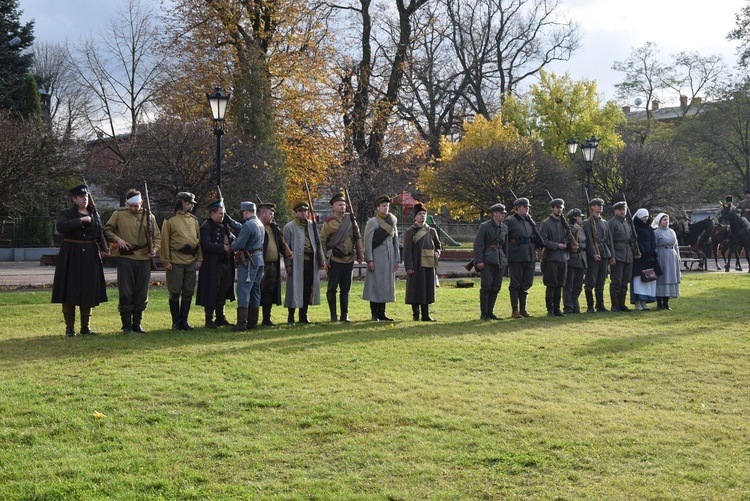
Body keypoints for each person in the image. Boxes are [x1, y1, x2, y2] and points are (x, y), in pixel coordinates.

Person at [52, 184, 109, 337]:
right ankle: (69, 328)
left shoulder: (94, 213)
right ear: (74, 199)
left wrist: (105, 249)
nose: (85, 200)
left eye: (86, 197)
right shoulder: (66, 213)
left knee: (88, 291)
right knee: (70, 290)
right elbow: (61, 227)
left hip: (90, 255)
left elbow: (99, 233)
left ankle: (86, 327)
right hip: (71, 254)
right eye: (81, 197)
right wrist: (81, 220)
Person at [104, 188, 161, 334]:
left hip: (144, 259)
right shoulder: (118, 214)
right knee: (126, 292)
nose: (132, 208)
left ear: (141, 203)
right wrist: (118, 240)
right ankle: (126, 325)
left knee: (141, 292)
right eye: (130, 206)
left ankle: (137, 324)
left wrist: (154, 249)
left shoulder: (150, 217)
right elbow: (107, 230)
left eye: (135, 206)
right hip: (126, 258)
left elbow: (157, 237)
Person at [196, 198, 242, 328]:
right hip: (213, 264)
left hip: (226, 263)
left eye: (223, 213)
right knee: (212, 290)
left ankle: (220, 317)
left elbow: (235, 235)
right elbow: (206, 245)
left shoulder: (225, 225)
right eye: (220, 214)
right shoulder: (206, 227)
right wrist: (222, 247)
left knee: (223, 289)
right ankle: (209, 318)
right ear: (212, 213)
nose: (223, 216)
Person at [160, 192, 203, 330]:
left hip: (191, 259)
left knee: (188, 291)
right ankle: (175, 322)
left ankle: (184, 321)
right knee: (175, 291)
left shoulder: (194, 220)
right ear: (183, 202)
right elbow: (164, 242)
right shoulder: (170, 220)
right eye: (190, 203)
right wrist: (166, 261)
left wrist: (200, 259)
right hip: (176, 260)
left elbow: (198, 241)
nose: (192, 205)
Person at [321, 192, 364, 322]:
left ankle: (344, 315)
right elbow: (322, 241)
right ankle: (333, 315)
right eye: (340, 205)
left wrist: (360, 252)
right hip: (335, 260)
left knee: (345, 289)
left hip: (349, 259)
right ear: (333, 207)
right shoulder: (329, 223)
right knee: (332, 288)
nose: (342, 207)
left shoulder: (350, 220)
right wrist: (324, 260)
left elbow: (358, 237)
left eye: (344, 205)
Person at [283, 201, 324, 324]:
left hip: (310, 262)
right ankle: (291, 316)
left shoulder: (312, 225)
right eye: (300, 211)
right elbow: (286, 248)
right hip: (296, 263)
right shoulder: (289, 227)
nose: (303, 213)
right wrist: (288, 265)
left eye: (305, 211)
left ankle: (303, 314)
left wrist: (321, 259)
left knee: (307, 289)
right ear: (295, 213)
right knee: (294, 289)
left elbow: (318, 244)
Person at [363, 195, 400, 321]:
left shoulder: (393, 220)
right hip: (377, 258)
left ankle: (382, 313)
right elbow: (367, 243)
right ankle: (374, 313)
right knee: (375, 285)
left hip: (389, 258)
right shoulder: (372, 222)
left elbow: (396, 241)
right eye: (383, 206)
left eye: (387, 206)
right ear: (377, 207)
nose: (385, 208)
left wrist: (396, 259)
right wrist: (369, 260)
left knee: (385, 285)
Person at [403, 202, 441, 321]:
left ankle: (426, 315)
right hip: (416, 264)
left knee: (427, 289)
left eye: (424, 213)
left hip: (429, 264)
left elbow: (438, 245)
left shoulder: (431, 231)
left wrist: (437, 252)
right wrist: (409, 266)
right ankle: (416, 315)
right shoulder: (410, 232)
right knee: (415, 290)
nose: (422, 216)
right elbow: (407, 251)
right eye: (420, 214)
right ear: (415, 217)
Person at [231, 201, 265, 330]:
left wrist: (232, 243)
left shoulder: (248, 225)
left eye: (243, 212)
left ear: (245, 211)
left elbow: (239, 244)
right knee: (255, 290)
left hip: (249, 260)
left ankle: (242, 323)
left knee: (243, 290)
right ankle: (252, 322)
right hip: (258, 259)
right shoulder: (259, 223)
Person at [505, 197, 540, 318]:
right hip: (516, 256)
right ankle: (515, 310)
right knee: (516, 284)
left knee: (526, 283)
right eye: (525, 207)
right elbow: (504, 238)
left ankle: (523, 309)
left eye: (528, 207)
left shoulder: (529, 221)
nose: (527, 209)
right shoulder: (510, 221)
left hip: (529, 256)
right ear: (518, 207)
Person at [258, 202, 292, 326]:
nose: (272, 216)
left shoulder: (274, 228)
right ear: (262, 214)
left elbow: (281, 245)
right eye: (270, 214)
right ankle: (253, 318)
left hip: (273, 265)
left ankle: (266, 318)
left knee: (269, 292)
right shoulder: (258, 226)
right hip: (262, 265)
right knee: (258, 291)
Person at [473, 203, 508, 321]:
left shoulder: (504, 227)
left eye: (504, 213)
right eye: (501, 213)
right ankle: (484, 314)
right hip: (487, 259)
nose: (503, 215)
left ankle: (491, 312)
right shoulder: (484, 226)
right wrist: (479, 260)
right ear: (494, 213)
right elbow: (478, 244)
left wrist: (505, 259)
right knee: (486, 287)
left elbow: (505, 245)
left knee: (496, 287)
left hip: (500, 259)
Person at [539, 198, 570, 317]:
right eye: (557, 207)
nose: (559, 209)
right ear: (552, 208)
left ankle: (557, 309)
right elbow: (544, 241)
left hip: (563, 258)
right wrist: (557, 245)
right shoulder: (546, 223)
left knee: (560, 284)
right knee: (551, 284)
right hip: (551, 258)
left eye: (561, 207)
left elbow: (568, 237)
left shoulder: (563, 223)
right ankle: (550, 309)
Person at [582, 198, 615, 313]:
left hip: (604, 252)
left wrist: (611, 255)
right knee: (590, 281)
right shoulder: (587, 223)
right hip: (594, 255)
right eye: (597, 205)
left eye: (601, 205)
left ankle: (600, 305)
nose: (600, 207)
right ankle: (590, 306)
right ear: (592, 207)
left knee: (601, 281)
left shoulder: (604, 222)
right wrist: (593, 253)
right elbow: (589, 241)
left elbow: (609, 240)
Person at [607, 201, 634, 312]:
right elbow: (610, 241)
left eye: (624, 209)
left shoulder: (627, 223)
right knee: (616, 281)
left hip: (628, 254)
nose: (623, 211)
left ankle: (622, 304)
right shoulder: (612, 223)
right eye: (620, 209)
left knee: (625, 280)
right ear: (615, 211)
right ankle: (615, 305)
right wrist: (612, 256)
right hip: (617, 253)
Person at [631, 208, 660, 311]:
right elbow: (636, 241)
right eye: (644, 216)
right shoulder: (634, 227)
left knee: (648, 279)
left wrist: (651, 252)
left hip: (649, 257)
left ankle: (644, 301)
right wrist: (642, 252)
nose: (645, 218)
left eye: (647, 216)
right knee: (638, 280)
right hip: (640, 257)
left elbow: (652, 241)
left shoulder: (649, 228)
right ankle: (638, 301)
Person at [652, 213, 681, 310]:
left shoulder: (672, 232)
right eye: (664, 220)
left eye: (667, 219)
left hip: (672, 256)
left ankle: (666, 302)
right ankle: (659, 302)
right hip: (662, 256)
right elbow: (654, 247)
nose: (666, 221)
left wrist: (678, 257)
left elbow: (676, 245)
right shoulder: (656, 233)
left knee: (671, 277)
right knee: (662, 278)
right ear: (659, 221)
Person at [563, 208, 586, 314]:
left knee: (578, 285)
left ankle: (575, 306)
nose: (581, 218)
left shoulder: (581, 229)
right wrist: (572, 232)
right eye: (580, 216)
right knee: (569, 285)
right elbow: (565, 241)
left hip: (581, 259)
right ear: (575, 218)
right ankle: (568, 307)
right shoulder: (567, 229)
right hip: (571, 259)